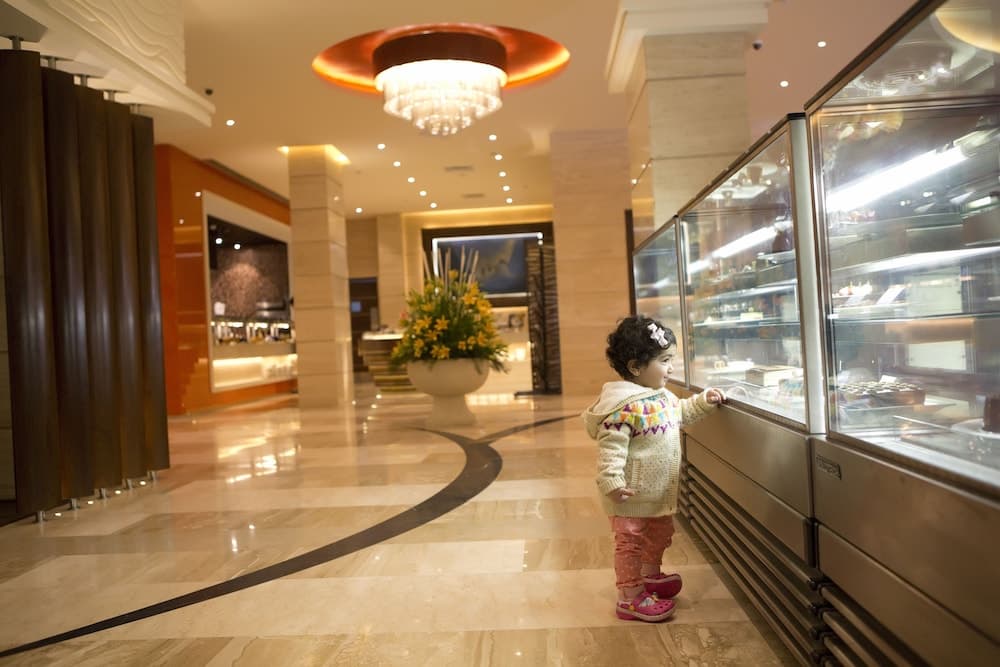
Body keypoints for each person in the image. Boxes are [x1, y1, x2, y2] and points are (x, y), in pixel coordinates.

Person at [583, 315, 725, 622]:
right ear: (636, 367)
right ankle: (630, 596)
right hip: (629, 496)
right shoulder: (622, 408)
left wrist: (704, 401)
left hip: (658, 492)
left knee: (658, 535)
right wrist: (611, 481)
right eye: (664, 360)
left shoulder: (662, 397)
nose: (671, 367)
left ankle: (649, 575)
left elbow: (681, 412)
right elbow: (611, 449)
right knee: (631, 543)